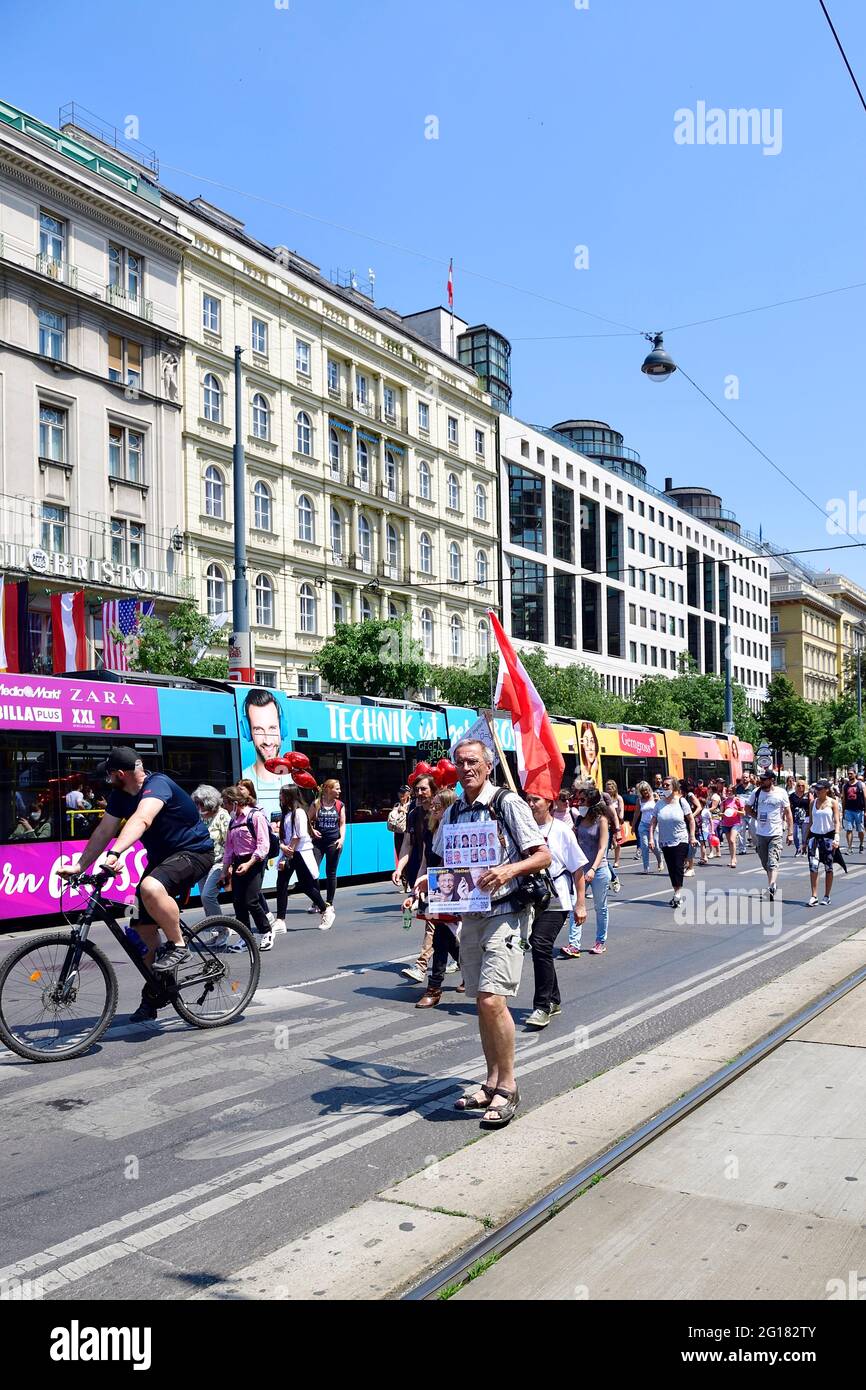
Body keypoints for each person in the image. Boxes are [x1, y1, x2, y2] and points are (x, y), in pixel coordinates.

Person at [422, 739, 550, 1129]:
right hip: (471, 914)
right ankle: (491, 1080)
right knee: (480, 1000)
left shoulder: (507, 803)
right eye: (460, 762)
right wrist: (423, 889)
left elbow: (542, 854)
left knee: (494, 999)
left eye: (473, 761)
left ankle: (509, 1085)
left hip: (507, 912)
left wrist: (507, 871)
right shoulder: (455, 810)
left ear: (488, 765)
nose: (466, 768)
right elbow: (445, 860)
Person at [58, 746, 215, 1023]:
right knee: (142, 931)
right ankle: (155, 994)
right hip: (162, 859)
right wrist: (80, 866)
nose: (106, 782)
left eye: (108, 776)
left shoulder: (158, 785)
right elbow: (104, 830)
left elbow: (143, 818)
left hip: (194, 853)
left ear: (120, 774)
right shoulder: (121, 795)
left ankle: (179, 945)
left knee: (150, 887)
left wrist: (116, 854)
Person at [524, 790, 587, 1028]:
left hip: (556, 897)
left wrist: (580, 904)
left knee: (540, 944)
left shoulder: (561, 830)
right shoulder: (524, 830)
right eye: (528, 800)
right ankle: (554, 998)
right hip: (530, 898)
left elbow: (578, 869)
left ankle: (542, 1007)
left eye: (536, 800)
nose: (531, 804)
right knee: (539, 947)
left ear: (549, 802)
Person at [403, 786, 458, 987]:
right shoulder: (430, 831)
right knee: (441, 933)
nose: (433, 810)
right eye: (433, 806)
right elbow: (425, 863)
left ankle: (428, 977)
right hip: (433, 885)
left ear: (450, 808)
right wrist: (416, 889)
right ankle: (435, 976)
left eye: (438, 806)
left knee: (441, 933)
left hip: (450, 887)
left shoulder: (455, 832)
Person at [220, 785, 275, 949]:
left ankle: (267, 932)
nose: (225, 807)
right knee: (238, 902)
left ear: (234, 802)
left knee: (251, 900)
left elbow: (263, 845)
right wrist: (224, 872)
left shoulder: (255, 816)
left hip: (254, 862)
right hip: (238, 862)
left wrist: (249, 863)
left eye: (226, 803)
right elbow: (229, 849)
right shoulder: (233, 821)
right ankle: (245, 937)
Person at [562, 784, 610, 956]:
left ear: (592, 801)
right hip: (581, 870)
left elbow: (602, 848)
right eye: (578, 799)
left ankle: (600, 941)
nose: (579, 803)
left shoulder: (602, 820)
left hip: (599, 870)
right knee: (577, 905)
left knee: (600, 907)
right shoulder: (579, 820)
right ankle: (574, 945)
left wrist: (594, 869)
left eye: (582, 800)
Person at [277, 785, 334, 928]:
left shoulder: (299, 813)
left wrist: (288, 849)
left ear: (290, 796)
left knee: (306, 886)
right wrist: (284, 847)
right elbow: (285, 835)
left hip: (300, 852)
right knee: (281, 884)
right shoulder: (287, 813)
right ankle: (280, 920)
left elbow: (299, 834)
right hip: (290, 852)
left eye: (282, 794)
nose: (280, 797)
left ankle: (325, 909)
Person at [191, 784, 236, 949]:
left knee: (207, 896)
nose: (198, 807)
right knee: (205, 897)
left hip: (219, 863)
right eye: (197, 803)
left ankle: (223, 930)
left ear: (210, 802)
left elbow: (230, 844)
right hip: (203, 863)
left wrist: (228, 867)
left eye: (201, 803)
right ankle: (216, 932)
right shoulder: (201, 816)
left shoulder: (223, 817)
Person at [743, 768, 793, 901]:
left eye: (765, 779)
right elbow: (747, 808)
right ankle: (772, 883)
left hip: (776, 832)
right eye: (761, 779)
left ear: (772, 780)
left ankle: (771, 885)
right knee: (765, 862)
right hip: (761, 833)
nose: (762, 781)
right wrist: (756, 816)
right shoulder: (757, 792)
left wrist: (790, 833)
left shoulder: (781, 792)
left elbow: (788, 813)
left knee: (772, 861)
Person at [649, 776, 696, 909]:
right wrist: (651, 839)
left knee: (678, 866)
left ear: (674, 787)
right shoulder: (659, 804)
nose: (664, 787)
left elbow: (691, 820)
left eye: (667, 785)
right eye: (663, 785)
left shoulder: (681, 802)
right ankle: (676, 891)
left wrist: (692, 836)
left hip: (680, 839)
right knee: (671, 867)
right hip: (665, 840)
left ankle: (677, 893)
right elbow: (653, 822)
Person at [393, 775, 436, 889]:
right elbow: (407, 843)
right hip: (419, 869)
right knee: (419, 904)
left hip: (438, 871)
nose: (419, 793)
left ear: (433, 790)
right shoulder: (413, 814)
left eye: (423, 789)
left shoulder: (441, 814)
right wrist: (399, 869)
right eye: (417, 790)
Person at [309, 779, 346, 907]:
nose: (339, 791)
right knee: (313, 871)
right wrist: (312, 830)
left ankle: (329, 902)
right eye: (337, 788)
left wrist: (341, 839)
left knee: (331, 872)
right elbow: (307, 821)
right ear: (328, 789)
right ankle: (317, 901)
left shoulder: (339, 805)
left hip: (333, 842)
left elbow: (342, 824)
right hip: (317, 843)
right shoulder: (316, 804)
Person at [805, 778, 841, 907]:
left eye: (820, 789)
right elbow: (810, 822)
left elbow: (837, 821)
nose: (817, 791)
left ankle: (827, 896)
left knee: (828, 867)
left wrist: (836, 837)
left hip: (828, 838)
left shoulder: (833, 802)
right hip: (814, 838)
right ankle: (814, 896)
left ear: (826, 790)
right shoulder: (812, 803)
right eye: (816, 789)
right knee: (813, 866)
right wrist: (805, 840)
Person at [241, 688, 286, 787]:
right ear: (248, 732)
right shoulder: (241, 783)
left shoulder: (297, 781)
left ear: (281, 728)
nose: (268, 741)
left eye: (272, 728)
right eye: (258, 730)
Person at [632, 780, 663, 873]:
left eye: (646, 790)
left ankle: (660, 860)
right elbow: (636, 813)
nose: (645, 793)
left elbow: (661, 809)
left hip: (654, 825)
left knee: (655, 846)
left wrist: (659, 801)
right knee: (644, 846)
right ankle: (646, 867)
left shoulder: (654, 796)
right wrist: (633, 825)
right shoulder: (639, 800)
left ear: (649, 789)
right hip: (643, 825)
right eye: (642, 791)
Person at [605, 779, 625, 886]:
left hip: (616, 824)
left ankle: (616, 861)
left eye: (610, 788)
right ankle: (611, 877)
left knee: (617, 844)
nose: (608, 790)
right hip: (606, 825)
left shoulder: (618, 798)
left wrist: (619, 815)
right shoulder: (603, 798)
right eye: (607, 788)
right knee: (605, 854)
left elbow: (621, 811)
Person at [841, 768, 865, 854]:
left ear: (855, 774)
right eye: (848, 774)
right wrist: (843, 811)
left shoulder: (861, 784)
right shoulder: (845, 786)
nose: (849, 775)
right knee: (849, 829)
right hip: (848, 810)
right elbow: (843, 799)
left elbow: (865, 798)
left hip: (859, 810)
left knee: (860, 830)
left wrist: (865, 811)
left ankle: (861, 844)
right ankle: (849, 847)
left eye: (851, 773)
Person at [719, 786, 742, 868]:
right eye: (728, 791)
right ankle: (733, 858)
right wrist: (724, 813)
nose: (729, 792)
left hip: (735, 823)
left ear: (734, 792)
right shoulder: (724, 802)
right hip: (726, 823)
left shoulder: (737, 801)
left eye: (731, 791)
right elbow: (720, 814)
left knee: (732, 840)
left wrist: (735, 811)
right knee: (729, 842)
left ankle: (733, 859)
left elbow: (743, 813)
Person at [387, 786, 411, 862]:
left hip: (407, 834)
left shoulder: (411, 804)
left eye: (404, 792)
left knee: (407, 856)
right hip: (398, 834)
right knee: (399, 854)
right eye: (400, 792)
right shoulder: (397, 805)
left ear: (408, 794)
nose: (402, 794)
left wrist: (405, 811)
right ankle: (403, 872)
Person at [789, 777, 811, 856]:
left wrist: (812, 817)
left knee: (804, 835)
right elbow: (788, 807)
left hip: (806, 817)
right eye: (798, 785)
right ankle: (798, 849)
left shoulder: (808, 794)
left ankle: (804, 849)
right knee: (795, 835)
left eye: (802, 785)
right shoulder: (792, 796)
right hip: (795, 817)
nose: (800, 787)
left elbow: (811, 805)